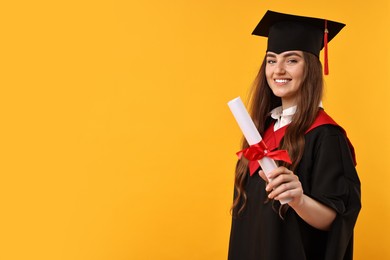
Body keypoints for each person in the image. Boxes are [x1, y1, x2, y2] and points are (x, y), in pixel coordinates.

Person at [228, 10, 361, 260]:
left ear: (309, 67)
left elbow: (336, 219)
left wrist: (298, 199)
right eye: (271, 60)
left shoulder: (326, 135)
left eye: (291, 60)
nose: (278, 69)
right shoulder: (263, 130)